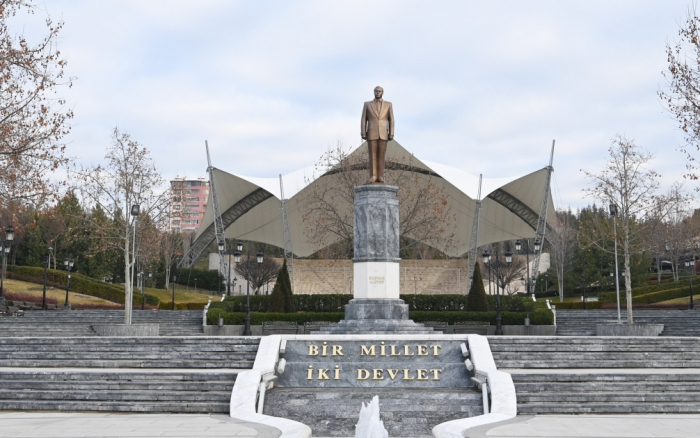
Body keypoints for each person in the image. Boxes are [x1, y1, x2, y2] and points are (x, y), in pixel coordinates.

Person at [360, 86, 394, 183]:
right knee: (373, 155)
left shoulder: (388, 104)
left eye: (379, 91)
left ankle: (380, 176)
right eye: (376, 91)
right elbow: (363, 119)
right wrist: (363, 132)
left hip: (384, 133)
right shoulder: (367, 104)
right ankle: (373, 176)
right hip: (371, 132)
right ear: (374, 92)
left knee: (381, 156)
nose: (378, 93)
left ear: (382, 92)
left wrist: (391, 133)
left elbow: (391, 119)